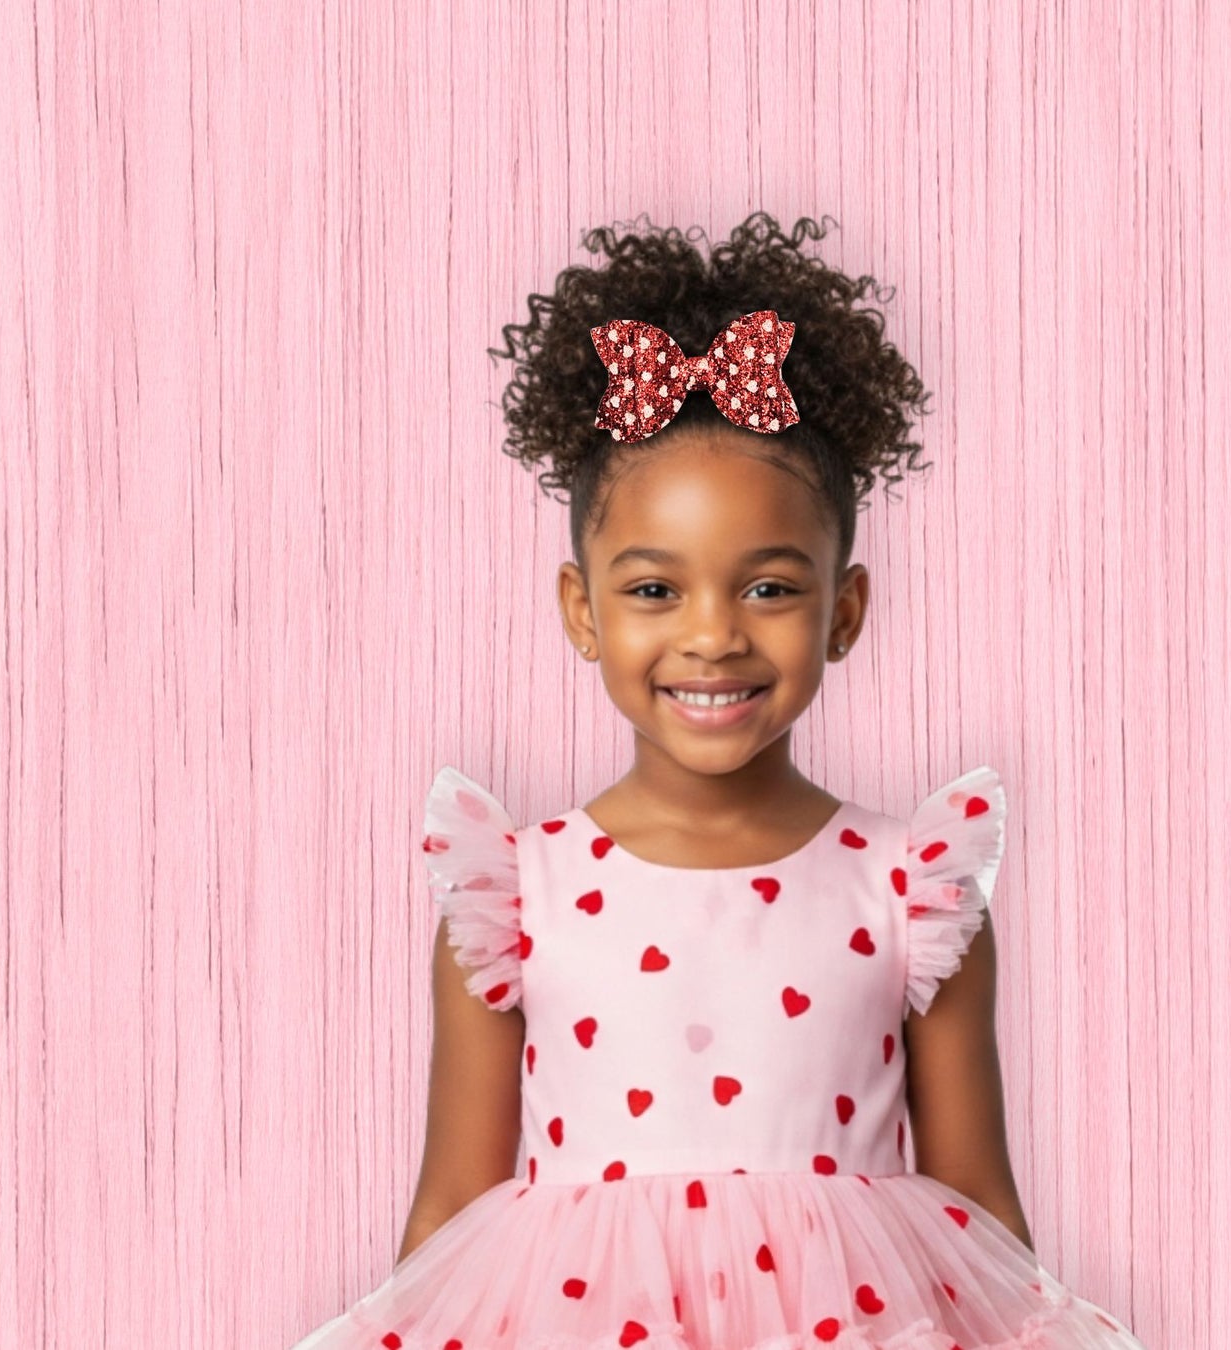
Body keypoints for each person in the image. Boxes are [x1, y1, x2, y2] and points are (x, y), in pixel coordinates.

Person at [291, 212, 1148, 1348]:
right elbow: (452, 1209)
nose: (713, 638)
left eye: (770, 589)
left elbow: (978, 1211)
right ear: (581, 612)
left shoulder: (913, 894)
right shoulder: (515, 895)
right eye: (655, 591)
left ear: (844, 612)